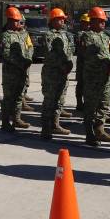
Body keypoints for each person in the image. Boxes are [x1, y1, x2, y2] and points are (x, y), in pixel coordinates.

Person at [82, 6, 110, 145]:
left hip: (106, 77)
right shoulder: (87, 36)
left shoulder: (105, 37)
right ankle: (89, 134)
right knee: (91, 106)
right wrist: (106, 64)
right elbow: (90, 55)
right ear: (92, 21)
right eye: (100, 21)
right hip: (93, 78)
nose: (103, 23)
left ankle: (100, 130)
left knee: (104, 104)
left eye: (104, 21)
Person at [40, 7, 73, 139]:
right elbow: (50, 54)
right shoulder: (49, 35)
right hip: (52, 73)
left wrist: (69, 64)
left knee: (60, 100)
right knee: (50, 101)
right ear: (53, 21)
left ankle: (55, 124)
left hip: (63, 73)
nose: (62, 22)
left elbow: (69, 52)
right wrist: (62, 65)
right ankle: (45, 128)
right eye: (60, 19)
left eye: (63, 20)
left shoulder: (65, 35)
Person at [0, 6, 33, 132]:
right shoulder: (6, 36)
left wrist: (28, 59)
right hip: (11, 73)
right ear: (9, 21)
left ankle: (17, 119)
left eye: (18, 20)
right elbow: (7, 54)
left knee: (19, 97)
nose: (18, 23)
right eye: (15, 20)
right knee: (9, 98)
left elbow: (30, 47)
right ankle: (5, 122)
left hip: (22, 71)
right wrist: (21, 63)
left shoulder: (23, 34)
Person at [74, 13, 90, 111]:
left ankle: (86, 103)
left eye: (89, 23)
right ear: (82, 23)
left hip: (88, 63)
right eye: (86, 23)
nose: (88, 25)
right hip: (82, 63)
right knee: (81, 83)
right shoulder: (80, 34)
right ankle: (79, 103)